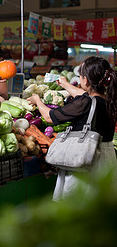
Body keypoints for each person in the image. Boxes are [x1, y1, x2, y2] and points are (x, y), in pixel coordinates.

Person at [27, 56, 117, 201]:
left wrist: (37, 100)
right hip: (106, 158)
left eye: (81, 76)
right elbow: (86, 96)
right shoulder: (108, 100)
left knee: (82, 205)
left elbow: (49, 117)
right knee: (100, 206)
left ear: (85, 80)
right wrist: (66, 85)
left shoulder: (86, 102)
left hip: (86, 160)